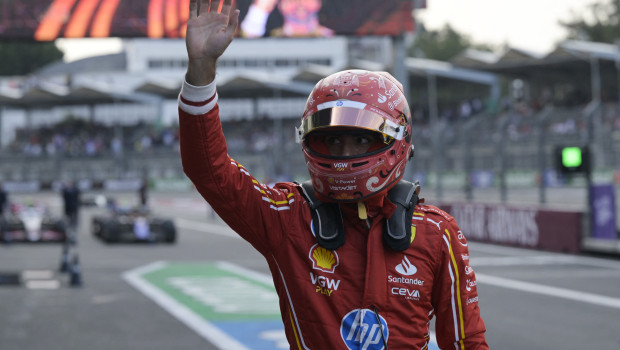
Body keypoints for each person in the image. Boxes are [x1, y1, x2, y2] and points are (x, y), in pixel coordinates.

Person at [179, 0, 488, 348]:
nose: (344, 154)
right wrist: (201, 73)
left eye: (360, 140)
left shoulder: (437, 233)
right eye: (331, 140)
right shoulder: (287, 218)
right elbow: (208, 170)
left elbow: (467, 342)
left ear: (399, 140)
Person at [240, 0, 333, 38]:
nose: (300, 5)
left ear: (318, 3)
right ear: (280, 5)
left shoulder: (332, 36)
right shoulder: (272, 37)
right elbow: (250, 34)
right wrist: (261, 8)